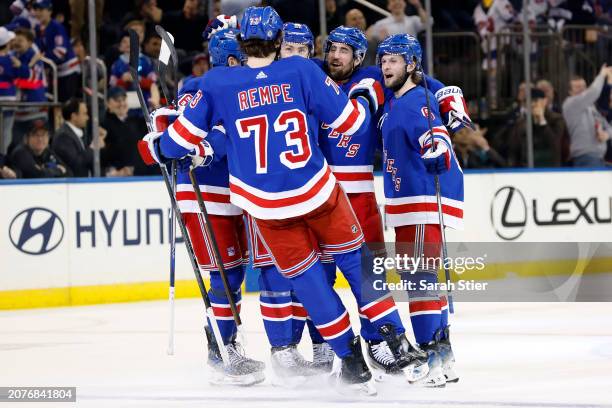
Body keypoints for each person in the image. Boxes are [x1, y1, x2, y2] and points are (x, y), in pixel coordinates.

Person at [139, 6, 425, 395]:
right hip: (318, 192)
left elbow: (177, 144)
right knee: (357, 263)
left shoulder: (216, 83)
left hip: (268, 208)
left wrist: (158, 141)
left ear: (241, 42)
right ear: (278, 42)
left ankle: (353, 363)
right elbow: (348, 123)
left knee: (309, 285)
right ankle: (394, 336)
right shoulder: (303, 71)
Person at [149, 25, 265, 386]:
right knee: (225, 272)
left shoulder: (235, 89)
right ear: (231, 59)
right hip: (204, 195)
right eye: (243, 56)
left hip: (234, 193)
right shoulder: (201, 89)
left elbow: (228, 135)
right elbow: (189, 132)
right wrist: (164, 131)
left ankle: (223, 342)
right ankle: (222, 348)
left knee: (234, 271)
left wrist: (199, 146)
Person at [377, 33, 464, 388]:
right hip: (411, 201)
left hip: (421, 200)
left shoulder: (415, 101)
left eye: (394, 60)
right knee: (424, 281)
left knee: (419, 281)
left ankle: (431, 358)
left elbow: (435, 135)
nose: (386, 66)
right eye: (383, 60)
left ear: (412, 64)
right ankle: (444, 358)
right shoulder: (398, 99)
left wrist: (438, 151)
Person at [31, 0, 81, 102]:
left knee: (65, 104)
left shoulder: (57, 27)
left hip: (68, 70)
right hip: (54, 71)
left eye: (41, 9)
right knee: (55, 103)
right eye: (36, 9)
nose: (38, 13)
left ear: (49, 11)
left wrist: (42, 61)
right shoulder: (37, 28)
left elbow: (60, 52)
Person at [562, 66, 612, 167]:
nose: (582, 90)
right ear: (570, 92)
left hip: (599, 157)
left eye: (584, 86)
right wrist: (601, 75)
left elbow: (608, 126)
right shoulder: (570, 103)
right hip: (585, 157)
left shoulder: (591, 107)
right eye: (577, 87)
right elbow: (593, 93)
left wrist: (606, 134)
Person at [10, 27, 48, 154]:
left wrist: (22, 68)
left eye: (20, 40)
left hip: (35, 110)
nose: (16, 43)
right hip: (18, 112)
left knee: (36, 149)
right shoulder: (14, 55)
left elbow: (31, 80)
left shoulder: (35, 58)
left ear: (30, 42)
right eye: (15, 40)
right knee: (17, 148)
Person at [509, 88, 565, 167]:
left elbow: (555, 144)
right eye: (529, 102)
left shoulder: (557, 119)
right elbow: (515, 148)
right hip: (528, 168)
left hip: (550, 168)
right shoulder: (521, 122)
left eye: (535, 100)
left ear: (545, 101)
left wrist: (542, 120)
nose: (532, 104)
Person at [109, 31, 160, 115]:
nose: (128, 44)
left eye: (131, 41)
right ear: (120, 46)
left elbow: (153, 84)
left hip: (144, 104)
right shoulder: (116, 64)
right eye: (124, 42)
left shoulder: (146, 61)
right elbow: (113, 87)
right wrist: (123, 81)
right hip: (124, 106)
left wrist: (138, 79)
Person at [52, 98, 106, 177]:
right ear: (74, 116)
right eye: (84, 114)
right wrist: (93, 147)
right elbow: (76, 163)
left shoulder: (76, 133)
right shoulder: (63, 136)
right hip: (73, 186)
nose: (87, 117)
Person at [102, 87, 143, 176]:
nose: (122, 104)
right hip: (117, 176)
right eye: (117, 100)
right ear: (108, 103)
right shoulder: (103, 125)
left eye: (124, 100)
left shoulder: (135, 120)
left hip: (138, 174)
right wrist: (112, 171)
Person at [0, 26, 29, 155]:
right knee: (6, 132)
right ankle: (2, 161)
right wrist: (20, 65)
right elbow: (25, 73)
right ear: (6, 44)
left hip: (7, 100)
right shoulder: (10, 60)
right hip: (8, 101)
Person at [366, 0, 431, 42]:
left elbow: (428, 23)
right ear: (389, 6)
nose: (397, 2)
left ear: (404, 4)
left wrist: (418, 6)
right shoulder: (381, 24)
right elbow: (366, 38)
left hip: (411, 59)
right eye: (393, 0)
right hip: (391, 59)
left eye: (399, 0)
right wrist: (381, 41)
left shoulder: (413, 20)